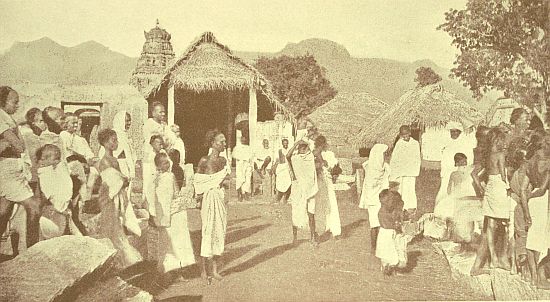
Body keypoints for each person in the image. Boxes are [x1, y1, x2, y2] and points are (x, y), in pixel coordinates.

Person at [0, 86, 42, 248]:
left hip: (11, 168)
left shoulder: (7, 118)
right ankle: (33, 248)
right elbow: (18, 146)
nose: (17, 105)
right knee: (34, 206)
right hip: (8, 169)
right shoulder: (1, 117)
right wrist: (12, 145)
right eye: (14, 102)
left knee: (4, 212)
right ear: (3, 101)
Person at [96, 128, 142, 268]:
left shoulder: (114, 159)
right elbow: (112, 181)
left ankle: (118, 259)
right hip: (111, 197)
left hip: (118, 195)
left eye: (116, 140)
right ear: (105, 143)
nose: (116, 143)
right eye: (113, 140)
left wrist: (123, 180)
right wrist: (123, 180)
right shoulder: (104, 161)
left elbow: (120, 179)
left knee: (117, 225)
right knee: (111, 226)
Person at [194, 129, 230, 284]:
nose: (224, 144)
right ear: (212, 143)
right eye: (221, 141)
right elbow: (197, 181)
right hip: (208, 198)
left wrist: (222, 184)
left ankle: (214, 270)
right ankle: (203, 271)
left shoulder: (223, 161)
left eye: (224, 141)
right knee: (207, 232)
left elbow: (225, 180)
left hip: (219, 197)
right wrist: (199, 199)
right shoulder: (204, 161)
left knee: (219, 232)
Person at [153, 152, 195, 281]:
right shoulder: (156, 179)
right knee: (168, 242)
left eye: (168, 161)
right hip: (164, 213)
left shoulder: (170, 176)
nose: (168, 164)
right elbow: (156, 197)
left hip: (174, 212)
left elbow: (176, 193)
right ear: (159, 166)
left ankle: (178, 270)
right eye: (165, 162)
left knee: (177, 242)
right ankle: (168, 270)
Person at [35, 144, 82, 239]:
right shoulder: (55, 172)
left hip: (56, 217)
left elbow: (43, 198)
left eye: (58, 158)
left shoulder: (51, 173)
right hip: (59, 215)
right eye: (55, 158)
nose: (58, 161)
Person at [481, 128, 511, 270]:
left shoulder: (487, 155)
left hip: (490, 186)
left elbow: (485, 173)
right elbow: (503, 174)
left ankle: (493, 258)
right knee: (506, 222)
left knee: (491, 225)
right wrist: (508, 185)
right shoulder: (500, 154)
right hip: (499, 185)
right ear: (497, 140)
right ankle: (503, 257)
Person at [523, 133, 550, 288]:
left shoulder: (531, 161)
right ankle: (540, 277)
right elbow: (542, 189)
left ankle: (534, 276)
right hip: (543, 201)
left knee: (532, 240)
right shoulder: (547, 162)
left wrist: (527, 199)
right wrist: (532, 195)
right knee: (542, 241)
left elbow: (524, 188)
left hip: (532, 203)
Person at [359, 144, 390, 253]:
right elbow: (371, 186)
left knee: (381, 224)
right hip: (373, 200)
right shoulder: (371, 169)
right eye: (383, 153)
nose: (385, 155)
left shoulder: (383, 166)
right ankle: (374, 247)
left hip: (381, 200)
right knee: (374, 224)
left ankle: (380, 246)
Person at [287, 140, 319, 246]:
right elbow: (287, 156)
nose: (303, 150)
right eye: (301, 148)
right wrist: (295, 143)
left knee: (311, 214)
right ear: (298, 149)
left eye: (304, 148)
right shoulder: (295, 158)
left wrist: (308, 143)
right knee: (296, 212)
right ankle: (295, 238)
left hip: (310, 189)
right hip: (298, 189)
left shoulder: (310, 158)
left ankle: (313, 238)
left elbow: (316, 153)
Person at [436, 122, 474, 204]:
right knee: (445, 190)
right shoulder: (446, 144)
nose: (454, 133)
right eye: (452, 131)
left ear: (460, 132)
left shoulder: (464, 143)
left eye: (456, 131)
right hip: (448, 172)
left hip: (460, 172)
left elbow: (468, 159)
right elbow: (444, 160)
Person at [314, 135, 342, 239]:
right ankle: (320, 230)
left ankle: (335, 231)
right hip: (318, 183)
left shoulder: (329, 154)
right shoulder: (313, 155)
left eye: (322, 145)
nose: (321, 147)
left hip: (327, 182)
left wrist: (334, 173)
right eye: (319, 145)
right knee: (320, 206)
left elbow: (337, 168)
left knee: (331, 205)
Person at [390, 125, 420, 217]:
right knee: (401, 190)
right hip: (401, 172)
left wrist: (413, 169)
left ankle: (411, 209)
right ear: (400, 135)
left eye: (406, 134)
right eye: (403, 135)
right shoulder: (399, 144)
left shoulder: (415, 143)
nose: (405, 136)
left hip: (410, 172)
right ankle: (402, 208)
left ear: (410, 133)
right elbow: (395, 159)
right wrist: (394, 171)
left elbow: (417, 158)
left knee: (410, 189)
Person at [99, 111, 135, 180]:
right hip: (115, 167)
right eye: (127, 121)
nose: (129, 123)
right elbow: (103, 151)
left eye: (130, 121)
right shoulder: (113, 134)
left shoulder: (125, 135)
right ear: (120, 120)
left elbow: (129, 155)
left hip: (124, 167)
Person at [376, 189, 405, 275]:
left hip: (387, 234)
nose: (391, 204)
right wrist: (397, 226)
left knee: (390, 252)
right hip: (387, 234)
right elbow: (389, 224)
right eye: (389, 201)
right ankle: (387, 267)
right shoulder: (383, 213)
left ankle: (389, 267)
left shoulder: (385, 211)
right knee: (388, 252)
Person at [20, 108, 47, 193]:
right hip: (30, 173)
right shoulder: (29, 135)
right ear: (33, 123)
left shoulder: (29, 134)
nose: (45, 124)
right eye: (41, 121)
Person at [233, 136, 253, 202]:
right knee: (239, 179)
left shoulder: (249, 148)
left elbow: (251, 157)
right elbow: (234, 156)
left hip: (247, 164)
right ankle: (239, 194)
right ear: (241, 140)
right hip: (240, 164)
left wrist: (251, 166)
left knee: (247, 179)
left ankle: (246, 194)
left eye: (245, 139)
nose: (244, 140)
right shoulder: (237, 147)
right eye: (242, 139)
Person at [272, 139, 291, 204]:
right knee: (280, 184)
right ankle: (278, 199)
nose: (285, 144)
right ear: (282, 144)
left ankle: (285, 198)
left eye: (286, 143)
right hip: (281, 168)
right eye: (284, 143)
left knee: (288, 183)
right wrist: (274, 168)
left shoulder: (289, 150)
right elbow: (277, 161)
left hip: (287, 168)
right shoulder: (279, 151)